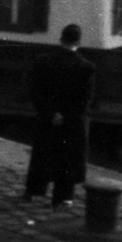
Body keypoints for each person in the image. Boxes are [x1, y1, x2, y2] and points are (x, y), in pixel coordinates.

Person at [23, 23, 96, 208]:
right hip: (71, 122)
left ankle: (34, 191)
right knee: (67, 159)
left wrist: (51, 113)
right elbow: (84, 100)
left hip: (47, 117)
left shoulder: (43, 61)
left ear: (61, 39)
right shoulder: (86, 67)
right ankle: (62, 197)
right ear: (78, 42)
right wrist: (65, 115)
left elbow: (35, 91)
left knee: (42, 154)